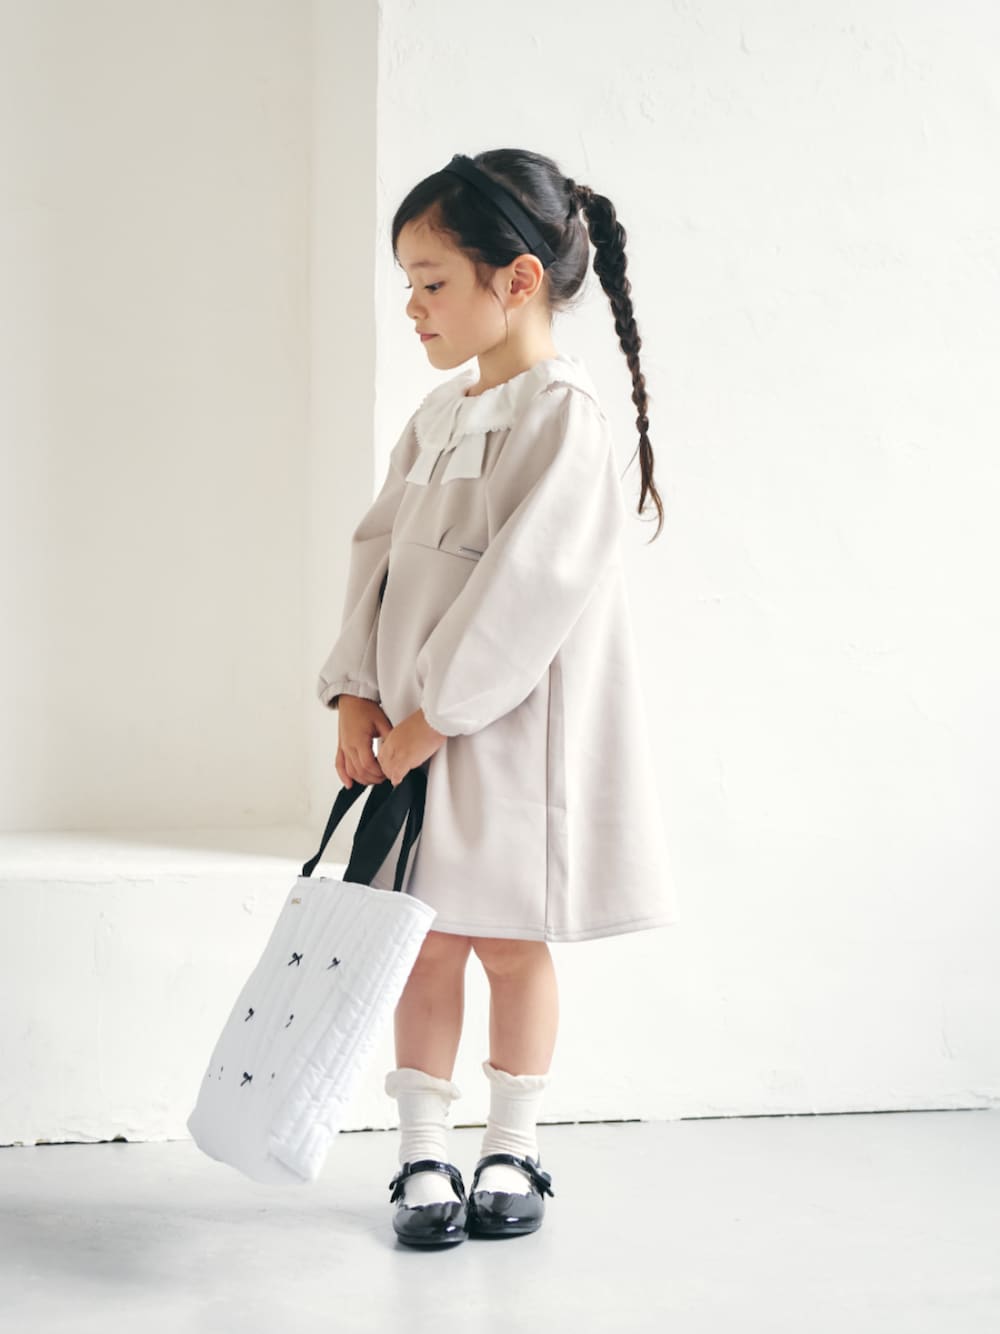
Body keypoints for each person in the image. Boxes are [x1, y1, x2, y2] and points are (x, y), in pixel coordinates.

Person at [316, 149, 680, 1247]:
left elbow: (532, 591)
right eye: (408, 285)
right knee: (421, 939)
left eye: (432, 281)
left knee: (511, 940)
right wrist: (356, 692)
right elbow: (376, 553)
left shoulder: (563, 417)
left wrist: (433, 718)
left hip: (507, 737)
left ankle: (511, 1143)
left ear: (516, 280)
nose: (414, 307)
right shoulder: (438, 415)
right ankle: (422, 1148)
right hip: (410, 732)